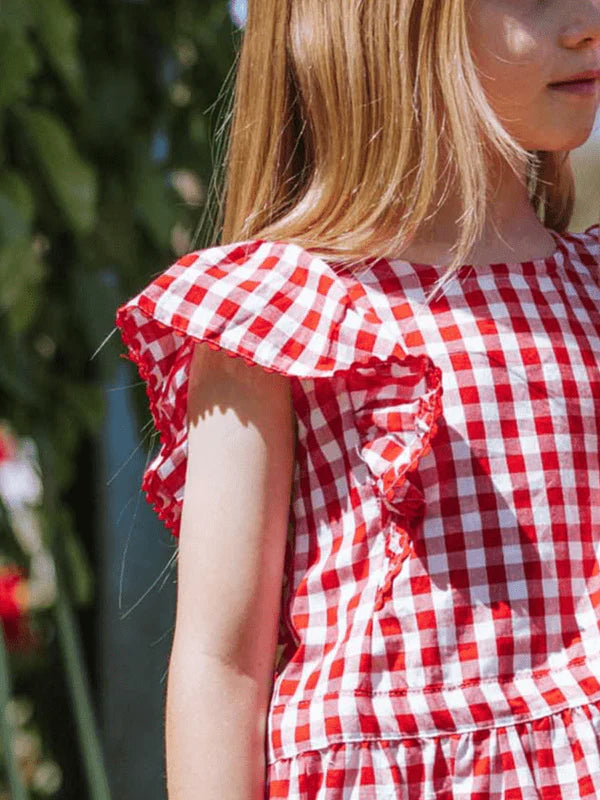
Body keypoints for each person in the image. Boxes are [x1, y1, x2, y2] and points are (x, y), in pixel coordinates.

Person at [114, 0, 600, 797]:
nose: (587, 21)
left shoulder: (589, 291)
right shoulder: (274, 311)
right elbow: (221, 660)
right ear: (388, 20)